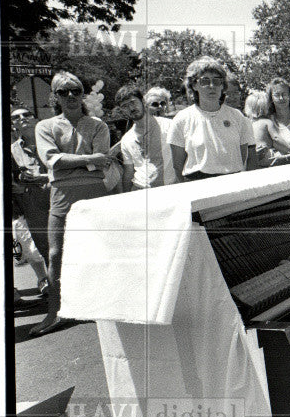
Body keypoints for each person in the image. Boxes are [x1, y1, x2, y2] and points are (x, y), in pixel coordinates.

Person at [32, 71, 112, 336]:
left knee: (100, 250)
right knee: (56, 254)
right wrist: (88, 160)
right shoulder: (45, 127)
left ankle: (106, 304)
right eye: (63, 92)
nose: (70, 96)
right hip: (61, 195)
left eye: (75, 91)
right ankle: (55, 311)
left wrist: (68, 162)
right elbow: (51, 160)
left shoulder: (98, 124)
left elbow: (103, 160)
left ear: (83, 94)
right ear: (54, 96)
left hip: (95, 192)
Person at [167, 56, 255, 181]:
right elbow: (177, 166)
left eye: (217, 81)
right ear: (194, 85)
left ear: (222, 86)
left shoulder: (237, 117)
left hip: (233, 183)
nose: (211, 85)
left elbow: (244, 156)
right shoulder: (181, 119)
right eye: (204, 81)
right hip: (197, 184)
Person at [10, 108, 50, 302]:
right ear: (13, 125)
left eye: (26, 115)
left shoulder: (50, 141)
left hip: (57, 199)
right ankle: (49, 283)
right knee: (42, 247)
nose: (22, 119)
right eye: (16, 117)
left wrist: (41, 176)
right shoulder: (12, 150)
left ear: (36, 119)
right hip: (32, 205)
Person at [116, 83, 177, 191]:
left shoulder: (169, 126)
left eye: (133, 102)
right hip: (140, 190)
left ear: (143, 101)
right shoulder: (127, 139)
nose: (131, 108)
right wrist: (125, 196)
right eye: (125, 106)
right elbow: (129, 172)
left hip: (169, 188)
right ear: (122, 111)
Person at [254, 77, 290, 166]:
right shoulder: (267, 121)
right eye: (277, 95)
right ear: (271, 99)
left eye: (284, 94)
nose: (281, 98)